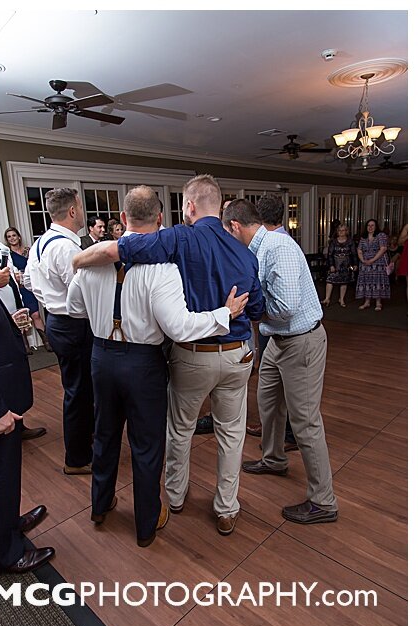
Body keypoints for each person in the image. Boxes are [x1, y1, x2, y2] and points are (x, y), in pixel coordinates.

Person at [73, 174, 264, 536]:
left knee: (179, 428)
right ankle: (226, 508)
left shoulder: (177, 239)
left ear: (188, 207)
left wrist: (81, 258)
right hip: (238, 354)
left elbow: (126, 249)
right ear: (220, 206)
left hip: (191, 354)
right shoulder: (244, 251)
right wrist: (229, 311)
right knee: (232, 433)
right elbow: (256, 307)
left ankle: (175, 497)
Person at [230, 200, 338, 525]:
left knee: (305, 421)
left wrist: (247, 310)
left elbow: (287, 307)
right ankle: (274, 458)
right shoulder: (260, 248)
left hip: (300, 340)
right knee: (267, 404)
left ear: (235, 227)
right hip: (277, 339)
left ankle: (324, 501)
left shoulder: (279, 247)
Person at [20, 187, 94, 475]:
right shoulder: (66, 248)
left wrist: (49, 296)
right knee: (79, 392)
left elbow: (27, 280)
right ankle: (77, 458)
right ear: (73, 211)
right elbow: (83, 293)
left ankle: (85, 444)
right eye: (81, 207)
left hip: (57, 321)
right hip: (74, 324)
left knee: (78, 389)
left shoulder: (42, 241)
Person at [0, 279, 53, 576]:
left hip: (3, 388)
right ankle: (6, 553)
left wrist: (9, 324)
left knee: (7, 471)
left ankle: (8, 524)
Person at [1, 226, 44, 344]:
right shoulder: (6, 255)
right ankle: (25, 345)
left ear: (19, 237)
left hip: (28, 287)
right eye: (9, 237)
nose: (12, 238)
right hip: (16, 289)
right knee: (19, 317)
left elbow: (36, 267)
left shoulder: (28, 251)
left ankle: (46, 342)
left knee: (35, 314)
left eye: (14, 235)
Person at [356, 218, 389, 310]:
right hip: (365, 263)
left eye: (372, 225)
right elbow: (359, 249)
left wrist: (373, 259)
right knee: (366, 281)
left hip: (378, 262)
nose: (370, 227)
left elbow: (383, 249)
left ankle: (378, 303)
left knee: (377, 281)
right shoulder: (363, 237)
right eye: (368, 225)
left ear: (376, 226)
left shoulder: (381, 235)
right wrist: (362, 259)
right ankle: (367, 302)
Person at [323, 221, 356, 307]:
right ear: (337, 231)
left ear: (346, 231)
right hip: (335, 263)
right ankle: (327, 298)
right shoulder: (333, 242)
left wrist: (355, 264)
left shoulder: (350, 242)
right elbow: (330, 254)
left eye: (343, 230)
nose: (341, 232)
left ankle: (341, 299)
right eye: (340, 230)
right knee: (329, 280)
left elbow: (354, 254)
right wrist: (331, 265)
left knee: (344, 282)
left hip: (346, 264)